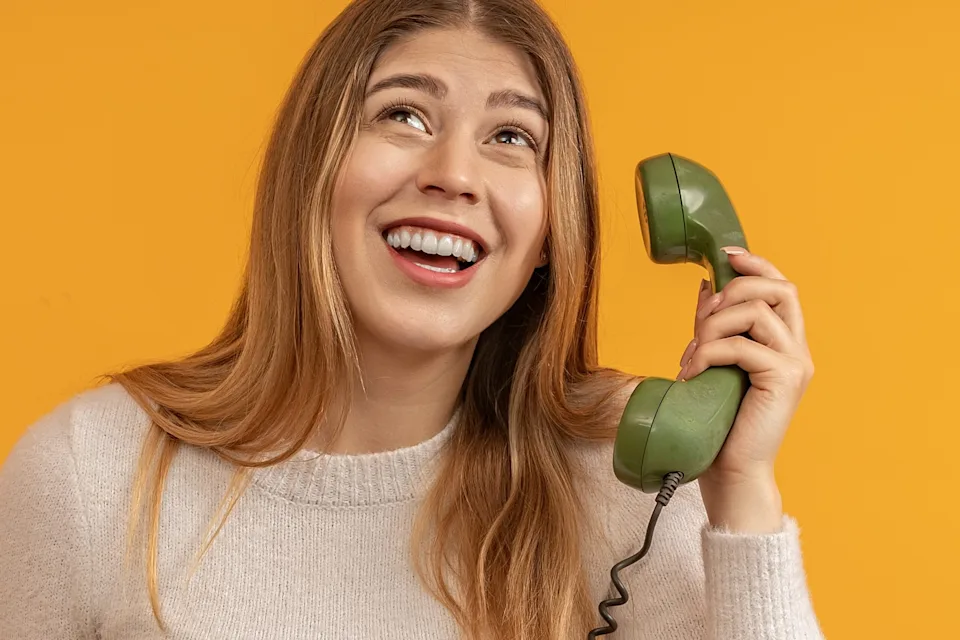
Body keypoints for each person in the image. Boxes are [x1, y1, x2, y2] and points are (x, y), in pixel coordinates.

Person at [0, 0, 825, 638]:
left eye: (511, 136)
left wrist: (741, 492)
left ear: (547, 234)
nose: (454, 174)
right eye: (403, 115)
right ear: (311, 169)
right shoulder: (91, 474)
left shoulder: (622, 492)